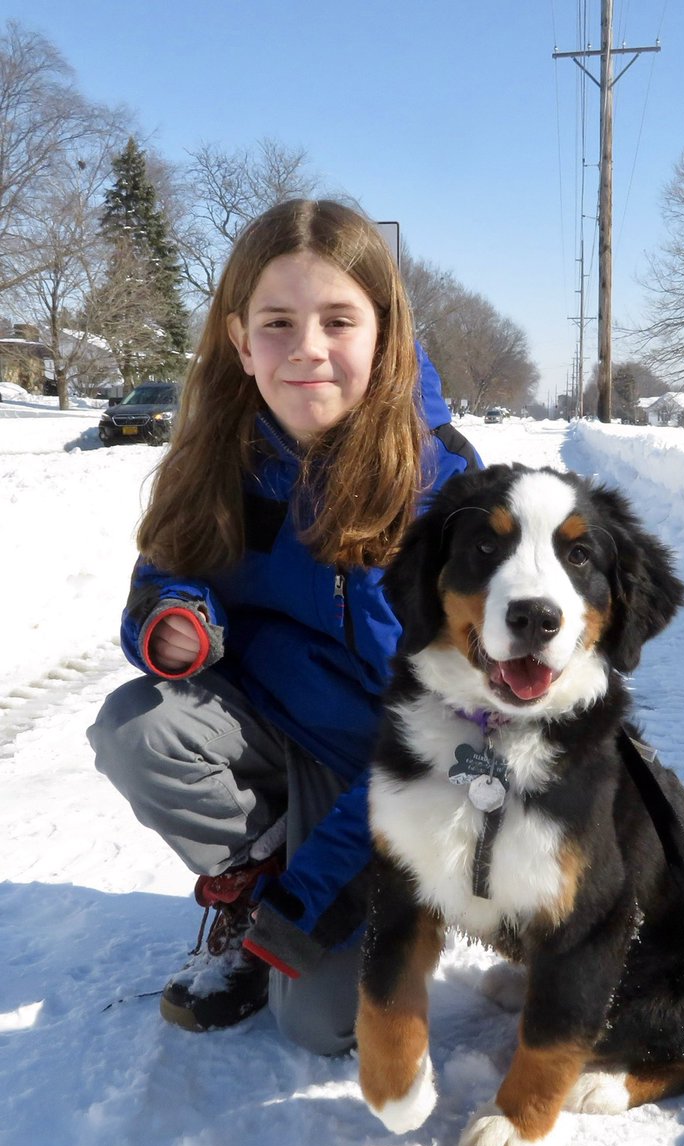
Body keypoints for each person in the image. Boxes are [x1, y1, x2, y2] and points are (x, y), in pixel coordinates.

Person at [88, 198, 480, 1054]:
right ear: (239, 340)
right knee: (137, 726)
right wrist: (177, 617)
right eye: (277, 323)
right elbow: (166, 572)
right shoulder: (216, 456)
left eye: (338, 319)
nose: (306, 348)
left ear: (384, 330)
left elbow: (478, 719)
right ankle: (254, 888)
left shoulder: (445, 486)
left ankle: (367, 903)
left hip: (398, 775)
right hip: (274, 733)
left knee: (320, 1026)